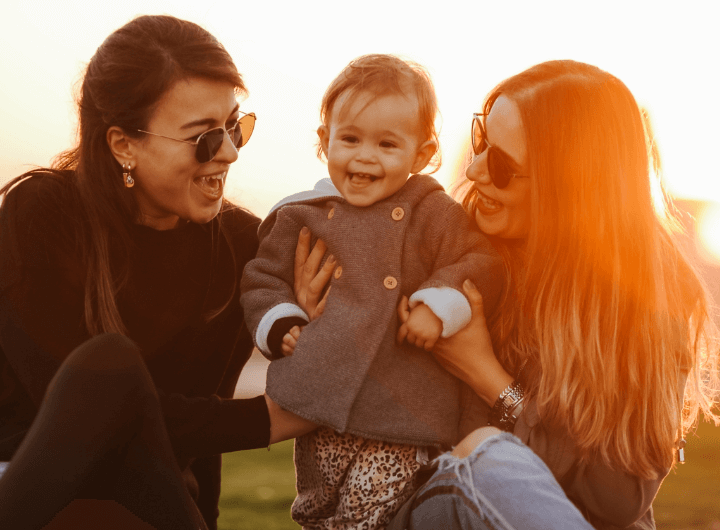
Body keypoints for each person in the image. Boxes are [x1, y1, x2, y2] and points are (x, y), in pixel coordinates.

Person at [294, 60, 720, 530]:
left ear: (570, 188)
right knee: (483, 459)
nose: (475, 171)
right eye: (482, 142)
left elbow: (617, 501)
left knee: (494, 459)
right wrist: (321, 320)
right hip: (424, 507)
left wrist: (489, 377)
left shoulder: (649, 301)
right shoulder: (448, 249)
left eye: (501, 164)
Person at [0, 15, 310, 530]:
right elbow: (90, 417)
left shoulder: (242, 246)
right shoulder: (41, 216)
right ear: (123, 144)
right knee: (110, 369)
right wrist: (267, 419)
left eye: (235, 126)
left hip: (146, 502)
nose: (230, 152)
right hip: (34, 491)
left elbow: (199, 430)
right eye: (204, 137)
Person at [240, 54, 504, 529]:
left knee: (373, 515)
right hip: (324, 407)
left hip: (405, 414)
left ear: (422, 155)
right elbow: (263, 278)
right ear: (324, 142)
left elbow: (479, 263)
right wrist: (280, 321)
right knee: (318, 508)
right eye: (350, 139)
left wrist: (438, 305)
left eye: (387, 144)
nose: (364, 156)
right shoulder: (304, 214)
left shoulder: (434, 213)